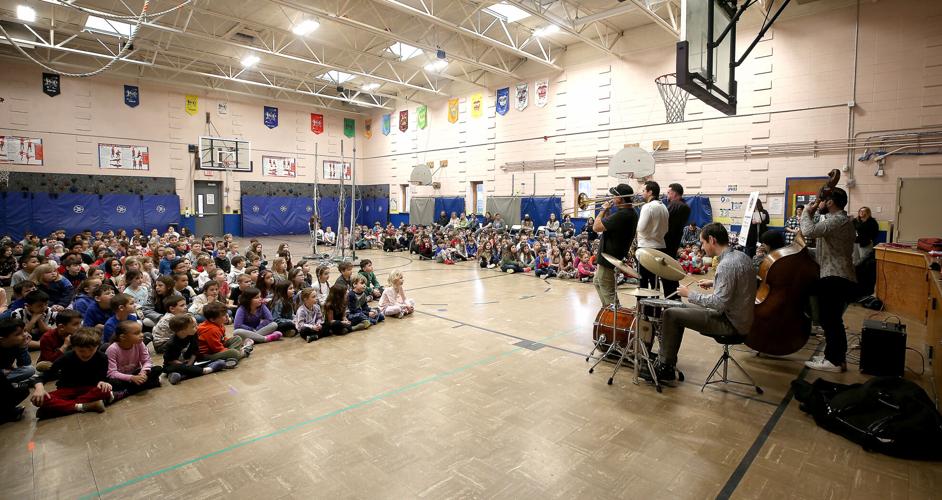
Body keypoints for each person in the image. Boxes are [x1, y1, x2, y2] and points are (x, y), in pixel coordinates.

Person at [650, 223, 756, 382]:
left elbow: (719, 303)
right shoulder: (741, 257)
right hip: (742, 319)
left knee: (670, 314)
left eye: (703, 242)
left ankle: (665, 367)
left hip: (730, 323)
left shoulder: (726, 265)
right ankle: (667, 359)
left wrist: (690, 294)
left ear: (712, 240)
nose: (702, 246)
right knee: (676, 306)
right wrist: (714, 282)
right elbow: (738, 282)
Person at [801, 187, 856, 372]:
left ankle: (833, 360)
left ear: (831, 202)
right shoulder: (839, 221)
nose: (820, 204)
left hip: (836, 276)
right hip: (834, 274)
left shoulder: (838, 220)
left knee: (831, 320)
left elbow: (809, 230)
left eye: (823, 200)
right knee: (830, 318)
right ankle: (835, 358)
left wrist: (808, 212)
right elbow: (830, 249)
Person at [29, 328, 112, 419]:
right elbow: (42, 376)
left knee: (106, 391)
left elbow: (102, 379)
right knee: (39, 399)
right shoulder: (66, 357)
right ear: (73, 347)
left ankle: (63, 407)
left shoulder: (102, 357)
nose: (86, 354)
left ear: (97, 346)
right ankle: (86, 406)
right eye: (81, 351)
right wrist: (39, 388)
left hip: (89, 390)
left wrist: (103, 382)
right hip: (67, 390)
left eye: (91, 350)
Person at [592, 184, 638, 306]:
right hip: (611, 255)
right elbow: (608, 227)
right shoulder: (630, 212)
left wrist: (602, 210)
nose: (612, 198)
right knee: (597, 281)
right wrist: (607, 212)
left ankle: (614, 315)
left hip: (609, 256)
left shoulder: (623, 214)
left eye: (614, 195)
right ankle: (606, 310)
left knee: (608, 291)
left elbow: (596, 227)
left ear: (620, 198)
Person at [163, 314, 233, 385]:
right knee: (178, 368)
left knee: (200, 360)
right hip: (176, 364)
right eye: (193, 327)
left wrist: (190, 363)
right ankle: (208, 369)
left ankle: (181, 375)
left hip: (190, 361)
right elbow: (170, 361)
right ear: (182, 331)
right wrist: (186, 366)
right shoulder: (171, 344)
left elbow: (195, 350)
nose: (197, 327)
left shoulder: (194, 333)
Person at [106, 321, 162, 396]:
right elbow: (112, 373)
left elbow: (147, 361)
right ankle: (148, 384)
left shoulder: (139, 343)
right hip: (122, 378)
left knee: (158, 369)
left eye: (141, 332)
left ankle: (129, 390)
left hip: (137, 373)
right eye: (136, 333)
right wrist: (131, 378)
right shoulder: (112, 349)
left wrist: (143, 372)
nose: (142, 335)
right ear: (123, 337)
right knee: (113, 383)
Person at [636, 181, 669, 293]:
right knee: (654, 281)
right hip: (660, 247)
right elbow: (666, 229)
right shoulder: (664, 206)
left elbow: (640, 228)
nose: (642, 193)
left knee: (643, 282)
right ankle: (654, 308)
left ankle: (643, 308)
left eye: (644, 191)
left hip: (646, 248)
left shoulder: (647, 206)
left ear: (650, 192)